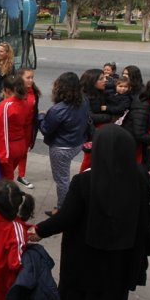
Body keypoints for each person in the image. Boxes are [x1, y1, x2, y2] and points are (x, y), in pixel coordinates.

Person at [27, 125, 150, 300]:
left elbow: (66, 217)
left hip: (87, 252)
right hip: (124, 252)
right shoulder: (140, 177)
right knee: (113, 290)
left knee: (80, 291)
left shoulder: (85, 182)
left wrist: (39, 231)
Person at [39, 72, 89, 215]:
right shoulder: (84, 100)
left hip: (61, 148)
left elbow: (45, 129)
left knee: (61, 179)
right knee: (64, 177)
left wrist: (41, 116)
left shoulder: (58, 109)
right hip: (77, 144)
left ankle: (63, 209)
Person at [0, 75, 29, 181]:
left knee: (6, 180)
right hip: (20, 146)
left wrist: (3, 154)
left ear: (6, 89)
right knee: (7, 176)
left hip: (8, 148)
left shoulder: (6, 105)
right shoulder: (25, 103)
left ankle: (7, 197)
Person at [77, 69, 111, 173]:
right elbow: (89, 116)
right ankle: (82, 180)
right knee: (89, 159)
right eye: (101, 79)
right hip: (90, 133)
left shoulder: (102, 92)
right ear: (92, 81)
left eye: (105, 77)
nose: (105, 80)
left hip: (101, 131)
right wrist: (109, 117)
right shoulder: (84, 97)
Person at [16, 68, 41, 190]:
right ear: (20, 78)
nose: (31, 80)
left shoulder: (34, 92)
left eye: (32, 77)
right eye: (28, 77)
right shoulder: (15, 92)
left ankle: (21, 175)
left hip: (28, 128)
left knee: (23, 152)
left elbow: (34, 110)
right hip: (16, 129)